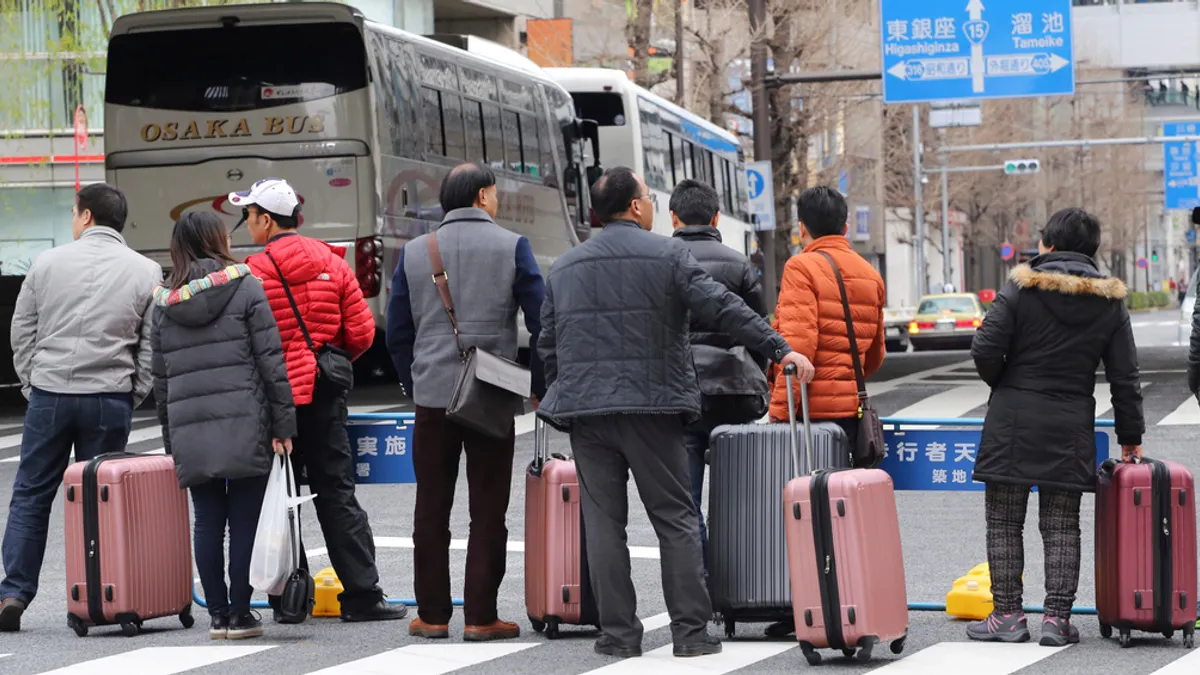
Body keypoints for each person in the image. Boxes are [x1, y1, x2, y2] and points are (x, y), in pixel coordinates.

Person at [536, 166, 813, 659]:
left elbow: (548, 342)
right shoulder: (667, 254)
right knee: (675, 518)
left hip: (588, 413)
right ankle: (690, 633)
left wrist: (561, 390)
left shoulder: (566, 266)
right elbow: (723, 307)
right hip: (653, 407)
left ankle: (619, 635)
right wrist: (779, 349)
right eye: (646, 196)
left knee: (603, 524)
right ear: (637, 207)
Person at [385, 162, 546, 641]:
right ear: (481, 196)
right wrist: (536, 382)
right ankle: (480, 616)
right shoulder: (512, 245)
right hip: (491, 394)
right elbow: (542, 321)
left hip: (433, 395)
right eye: (494, 193)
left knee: (430, 508)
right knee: (488, 509)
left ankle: (433, 615)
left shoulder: (416, 253)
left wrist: (414, 384)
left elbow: (397, 331)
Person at [969, 207, 1144, 647]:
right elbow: (1125, 376)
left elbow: (985, 348)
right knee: (1062, 524)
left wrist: (1005, 384)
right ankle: (1056, 620)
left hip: (1013, 418)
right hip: (1070, 422)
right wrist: (1130, 438)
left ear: (1047, 244)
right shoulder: (1108, 301)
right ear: (1091, 251)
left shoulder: (1020, 288)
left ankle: (1007, 616)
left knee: (1004, 522)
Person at [235, 177, 405, 623]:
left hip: (275, 403)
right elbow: (364, 333)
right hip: (324, 394)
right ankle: (364, 596)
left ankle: (290, 600)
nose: (246, 224)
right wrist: (326, 356)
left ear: (267, 220)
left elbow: (245, 343)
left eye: (249, 216)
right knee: (336, 492)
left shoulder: (254, 271)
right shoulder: (332, 262)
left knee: (280, 495)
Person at [0, 183, 162, 632]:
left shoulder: (47, 262)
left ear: (87, 216)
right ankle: (99, 595)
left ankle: (13, 593)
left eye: (74, 212)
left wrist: (34, 381)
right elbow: (150, 345)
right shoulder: (147, 270)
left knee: (31, 494)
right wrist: (133, 393)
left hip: (51, 394)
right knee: (99, 500)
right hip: (109, 397)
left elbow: (23, 329)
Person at [150, 212, 296, 640]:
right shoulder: (245, 285)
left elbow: (161, 380)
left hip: (190, 427)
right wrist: (283, 423)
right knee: (245, 520)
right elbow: (271, 362)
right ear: (217, 240)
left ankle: (216, 615)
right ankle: (241, 614)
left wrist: (170, 437)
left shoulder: (164, 302)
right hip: (246, 421)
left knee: (208, 520)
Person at [764, 185, 887, 638]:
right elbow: (873, 356)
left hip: (808, 418)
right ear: (846, 224)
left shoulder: (801, 266)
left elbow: (799, 354)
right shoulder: (868, 273)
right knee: (839, 511)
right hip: (848, 417)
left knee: (802, 511)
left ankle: (802, 609)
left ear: (802, 228)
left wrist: (779, 412)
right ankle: (846, 603)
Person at [668, 179, 768, 573]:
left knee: (686, 501)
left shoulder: (663, 259)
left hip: (680, 395)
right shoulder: (739, 264)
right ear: (715, 217)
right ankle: (741, 583)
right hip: (733, 394)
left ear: (673, 217)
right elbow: (759, 328)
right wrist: (755, 374)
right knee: (738, 499)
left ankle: (703, 587)